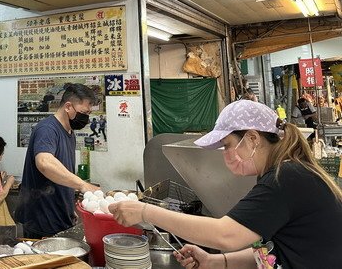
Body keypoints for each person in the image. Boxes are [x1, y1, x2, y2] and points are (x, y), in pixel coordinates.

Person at [109, 100, 342, 269]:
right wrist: (215, 261)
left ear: (252, 138)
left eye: (227, 145)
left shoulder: (286, 178)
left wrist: (146, 211)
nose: (226, 154)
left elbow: (226, 235)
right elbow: (274, 251)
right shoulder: (281, 172)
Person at [16, 83, 99, 239]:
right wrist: (82, 184)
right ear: (68, 107)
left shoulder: (69, 132)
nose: (86, 118)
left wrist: (69, 208)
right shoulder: (47, 129)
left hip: (60, 216)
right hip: (42, 219)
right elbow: (44, 163)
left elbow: (63, 172)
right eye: (84, 112)